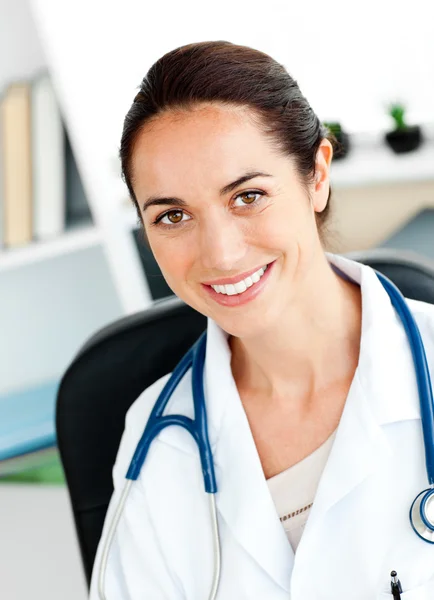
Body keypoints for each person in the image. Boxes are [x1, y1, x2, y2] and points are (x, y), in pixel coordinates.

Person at [89, 40, 434, 599]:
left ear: (317, 176)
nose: (221, 254)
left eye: (248, 196)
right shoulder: (157, 440)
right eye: (173, 215)